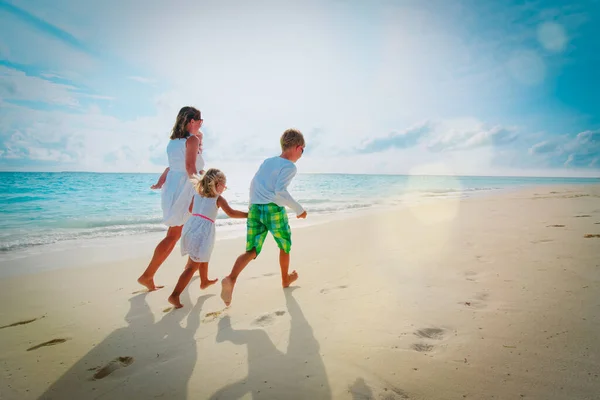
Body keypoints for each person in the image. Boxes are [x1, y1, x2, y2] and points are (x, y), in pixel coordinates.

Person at [220, 128, 307, 306]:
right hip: (273, 209)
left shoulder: (267, 161)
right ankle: (285, 279)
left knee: (251, 250)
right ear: (297, 147)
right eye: (303, 150)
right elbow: (280, 191)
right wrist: (298, 209)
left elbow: (254, 183)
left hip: (255, 207)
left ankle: (231, 279)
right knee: (284, 245)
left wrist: (253, 207)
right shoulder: (290, 166)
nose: (302, 154)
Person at [138, 106, 204, 291]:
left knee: (186, 229)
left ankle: (191, 268)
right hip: (186, 187)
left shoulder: (174, 141)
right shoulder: (191, 140)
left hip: (175, 186)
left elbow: (171, 167)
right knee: (175, 234)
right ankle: (148, 275)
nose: (201, 123)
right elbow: (190, 167)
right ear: (192, 121)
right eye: (199, 120)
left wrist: (161, 182)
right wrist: (199, 190)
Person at [168, 169, 248, 308]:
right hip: (203, 232)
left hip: (191, 227)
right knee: (192, 266)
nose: (224, 188)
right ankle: (174, 295)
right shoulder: (218, 199)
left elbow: (192, 210)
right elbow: (231, 213)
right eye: (223, 185)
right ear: (216, 184)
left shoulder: (197, 195)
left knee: (203, 256)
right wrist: (248, 215)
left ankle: (204, 281)